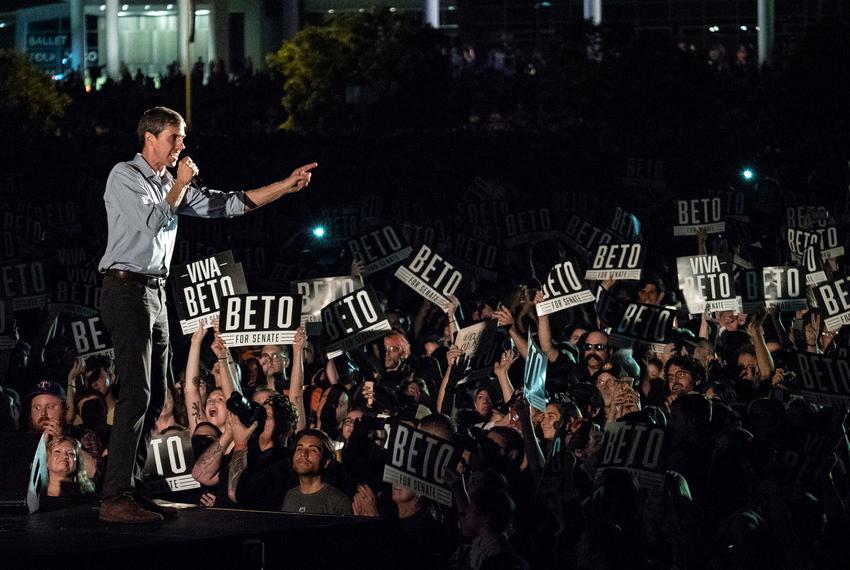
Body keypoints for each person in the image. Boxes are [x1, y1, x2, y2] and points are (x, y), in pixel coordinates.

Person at [97, 106, 316, 524]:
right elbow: (151, 223)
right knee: (138, 393)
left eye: (183, 138)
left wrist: (285, 187)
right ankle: (115, 496)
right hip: (125, 288)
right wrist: (178, 185)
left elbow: (229, 205)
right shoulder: (124, 175)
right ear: (150, 138)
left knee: (158, 395)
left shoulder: (168, 182)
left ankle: (133, 491)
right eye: (174, 138)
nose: (182, 145)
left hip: (154, 293)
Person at [282, 428, 352, 515]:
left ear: (326, 462)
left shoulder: (338, 502)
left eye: (313, 450)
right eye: (299, 449)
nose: (303, 454)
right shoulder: (289, 496)